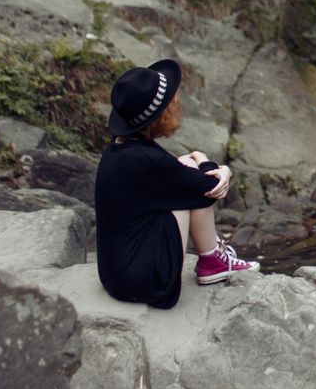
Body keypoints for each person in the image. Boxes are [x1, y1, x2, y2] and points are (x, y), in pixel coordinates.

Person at [95, 59, 258, 309]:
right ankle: (212, 260)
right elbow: (209, 190)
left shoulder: (119, 149)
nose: (177, 102)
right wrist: (213, 164)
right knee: (190, 175)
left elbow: (174, 174)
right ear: (161, 116)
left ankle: (212, 257)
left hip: (113, 276)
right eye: (172, 101)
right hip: (147, 284)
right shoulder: (150, 161)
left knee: (183, 167)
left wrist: (193, 162)